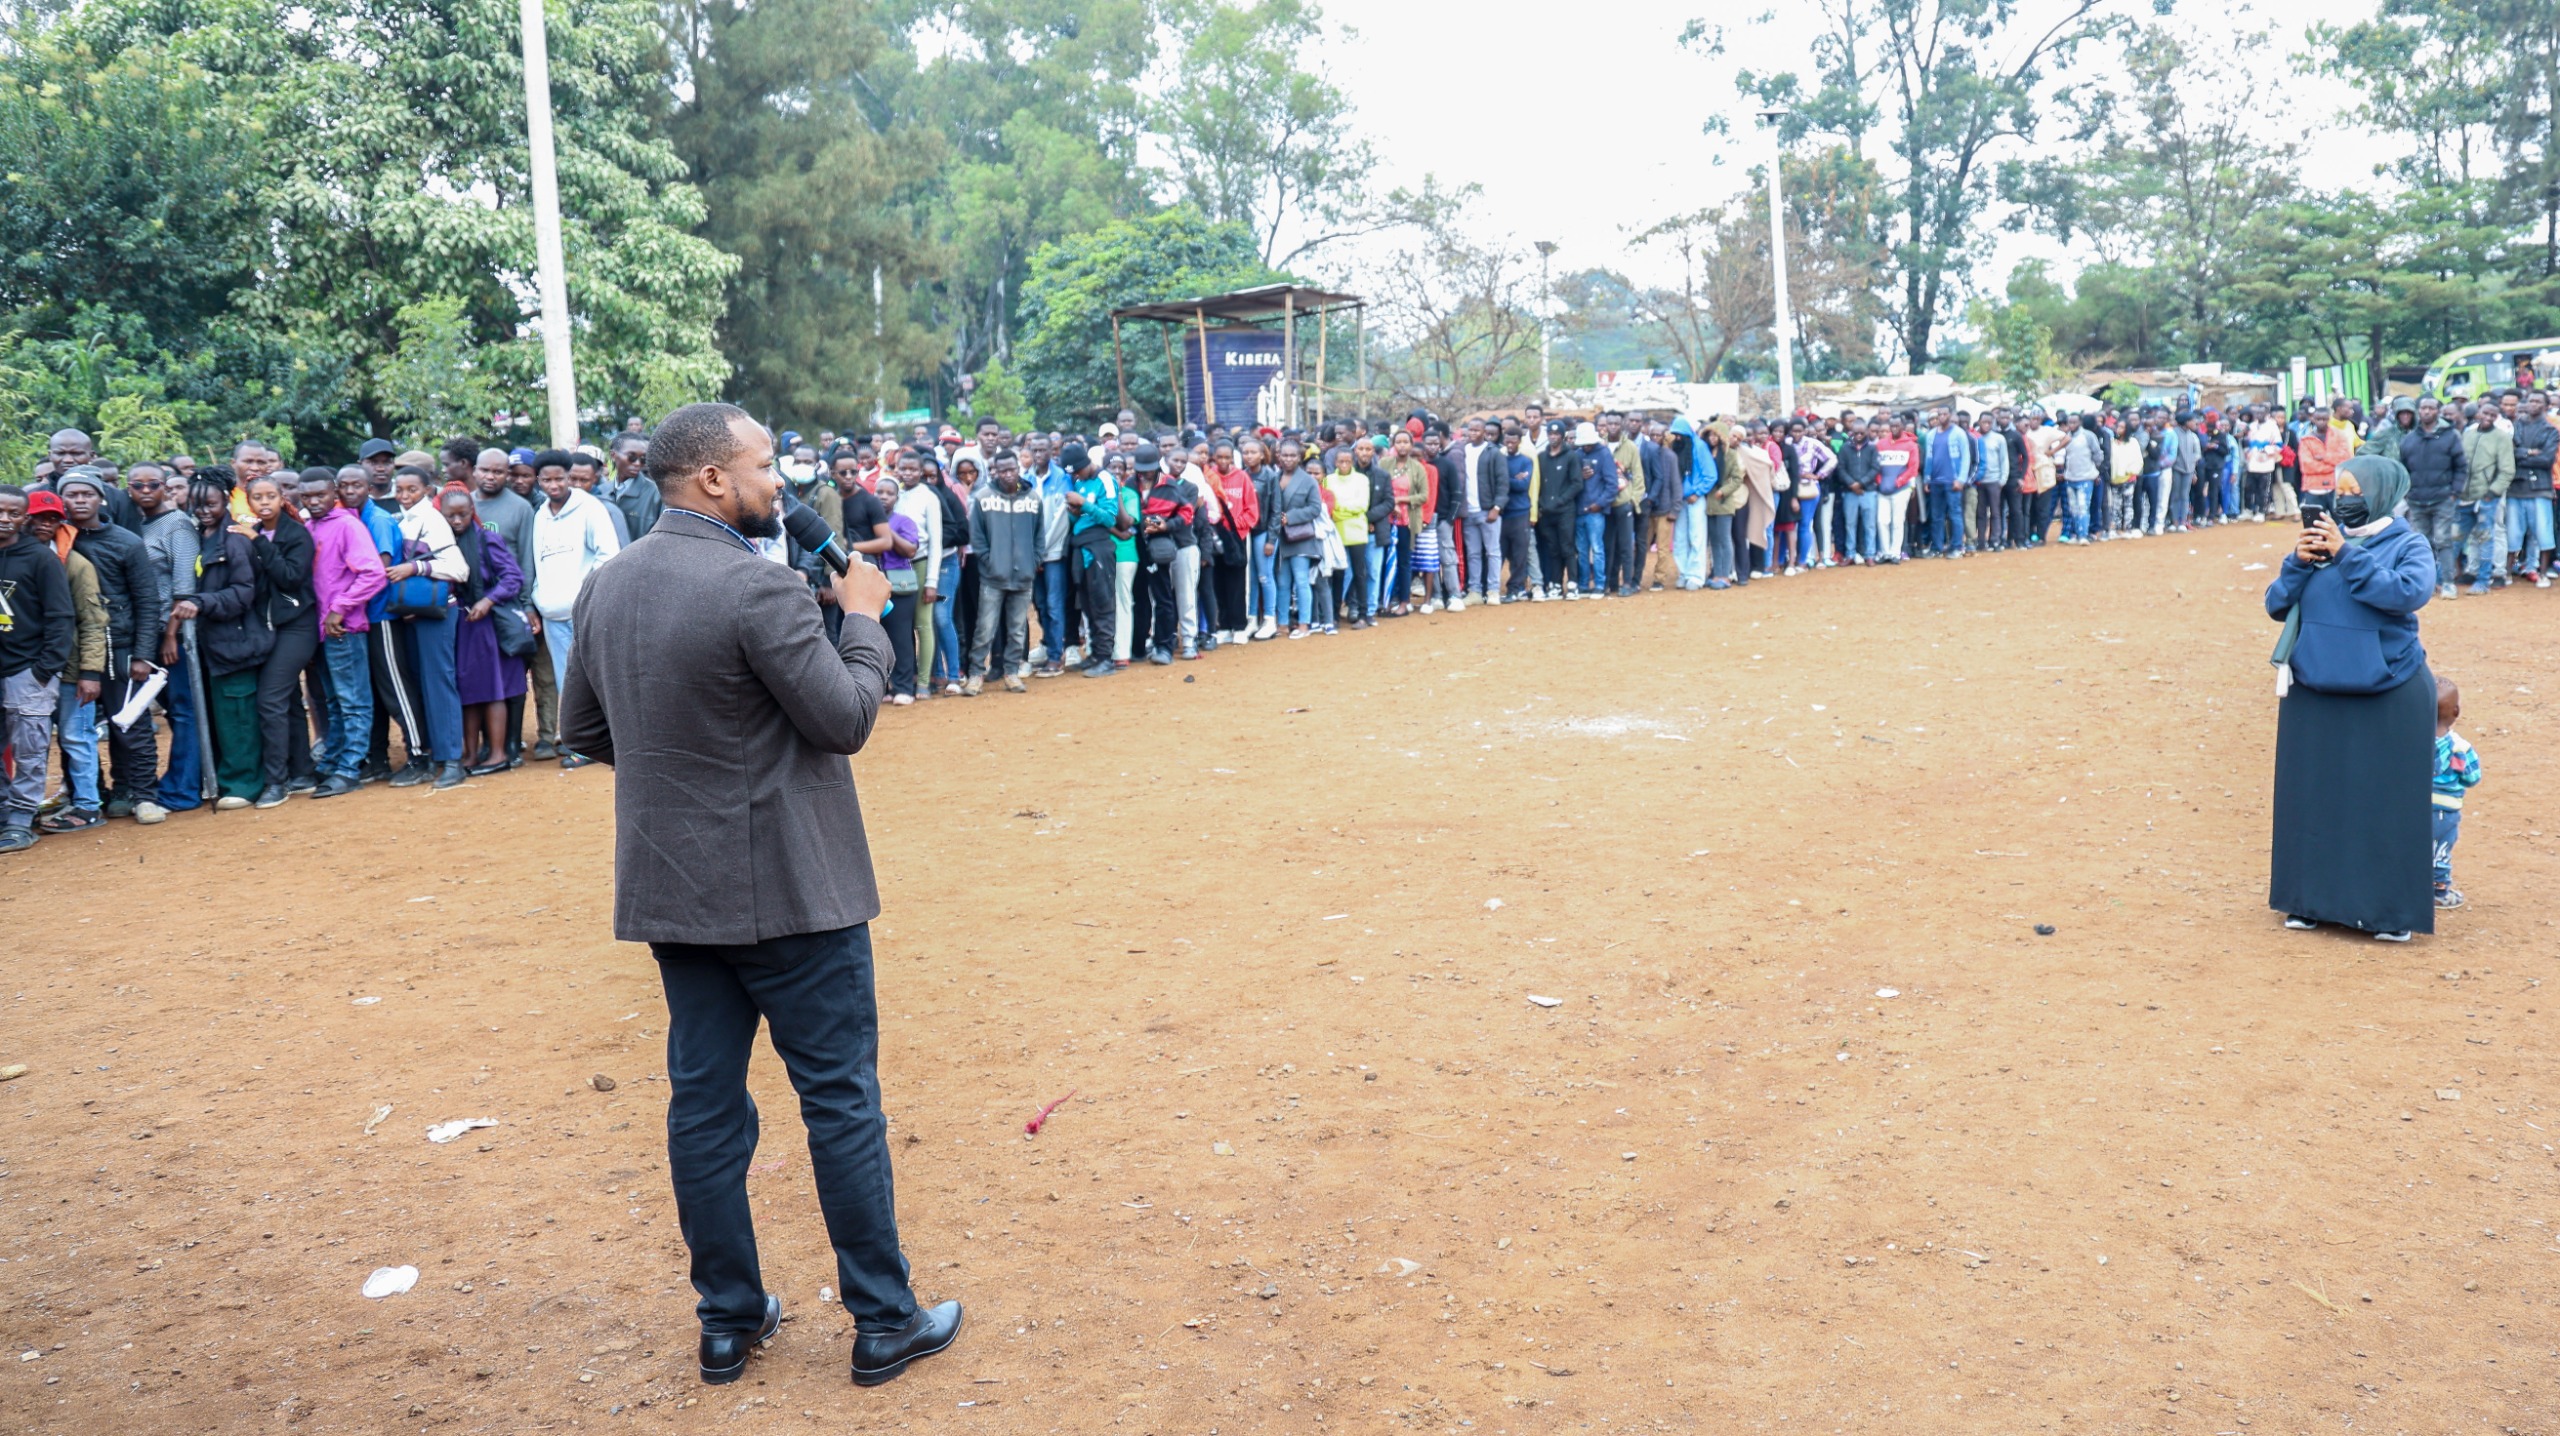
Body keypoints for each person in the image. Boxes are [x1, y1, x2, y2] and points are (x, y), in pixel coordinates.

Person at [558, 401, 961, 1391]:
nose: (779, 482)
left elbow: (585, 731)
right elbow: (846, 716)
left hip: (676, 891)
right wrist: (861, 617)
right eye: (765, 464)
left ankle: (727, 1322)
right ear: (711, 478)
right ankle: (884, 1321)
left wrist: (690, 781)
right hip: (794, 892)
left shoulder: (607, 585)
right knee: (839, 1101)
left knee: (703, 1109)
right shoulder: (760, 585)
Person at [2266, 454, 2437, 941]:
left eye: (2354, 492)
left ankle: (2386, 913)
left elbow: (2406, 594)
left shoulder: (2408, 543)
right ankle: (2308, 903)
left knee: (2382, 803)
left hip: (2388, 690)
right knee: (2313, 800)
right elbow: (2276, 604)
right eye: (2339, 491)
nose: (2343, 501)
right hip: (2315, 687)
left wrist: (2345, 554)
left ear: (2381, 494)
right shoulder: (2324, 539)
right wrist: (2298, 563)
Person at [58, 468, 165, 820]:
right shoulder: (58, 541)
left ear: (101, 498)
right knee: (74, 729)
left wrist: (143, 654)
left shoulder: (126, 542)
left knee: (129, 724)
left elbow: (147, 600)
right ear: (62, 499)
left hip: (120, 646)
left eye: (87, 494)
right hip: (73, 650)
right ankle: (93, 793)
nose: (80, 500)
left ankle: (142, 794)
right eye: (72, 494)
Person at [179, 474, 268, 808]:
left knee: (239, 716)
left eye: (211, 504)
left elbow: (244, 592)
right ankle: (219, 779)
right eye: (197, 504)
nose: (203, 511)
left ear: (226, 501)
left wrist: (202, 603)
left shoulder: (235, 539)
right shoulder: (196, 537)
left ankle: (244, 784)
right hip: (207, 644)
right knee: (217, 716)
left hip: (236, 641)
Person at [532, 449, 624, 765]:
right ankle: (583, 744)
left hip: (584, 612)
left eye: (560, 478)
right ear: (539, 480)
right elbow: (538, 563)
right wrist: (539, 599)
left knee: (598, 677)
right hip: (552, 615)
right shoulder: (541, 514)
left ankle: (610, 744)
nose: (554, 485)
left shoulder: (590, 508)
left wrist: (583, 595)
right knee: (567, 682)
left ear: (569, 477)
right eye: (547, 480)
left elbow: (608, 556)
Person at [22, 491, 107, 832]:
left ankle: (87, 806)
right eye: (38, 517)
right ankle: (24, 808)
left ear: (62, 522)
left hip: (71, 669)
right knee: (30, 741)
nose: (45, 524)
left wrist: (91, 671)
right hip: (25, 668)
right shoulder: (12, 556)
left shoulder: (75, 564)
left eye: (53, 518)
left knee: (76, 736)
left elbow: (93, 621)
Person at [298, 469, 385, 799]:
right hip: (321, 631)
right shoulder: (309, 527)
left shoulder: (348, 525)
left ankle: (350, 768)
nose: (314, 501)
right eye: (307, 496)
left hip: (344, 628)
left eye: (320, 494)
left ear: (333, 493)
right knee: (333, 702)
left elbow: (373, 573)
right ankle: (332, 761)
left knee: (353, 701)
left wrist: (341, 607)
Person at [383, 467, 470, 790]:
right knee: (421, 684)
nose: (405, 495)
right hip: (414, 613)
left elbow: (459, 569)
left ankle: (452, 761)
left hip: (437, 614)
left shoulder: (431, 520)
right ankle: (433, 756)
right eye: (400, 489)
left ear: (427, 490)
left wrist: (415, 567)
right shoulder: (402, 519)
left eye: (412, 490)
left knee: (439, 683)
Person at [0, 486, 75, 853]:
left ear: (23, 518)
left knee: (30, 749)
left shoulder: (40, 559)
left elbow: (61, 617)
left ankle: (20, 820)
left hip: (27, 672)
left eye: (13, 513)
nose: (5, 519)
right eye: (0, 511)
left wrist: (44, 670)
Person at [239, 474, 318, 808]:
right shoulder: (251, 532)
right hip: (268, 627)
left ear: (281, 497)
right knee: (287, 700)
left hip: (298, 626)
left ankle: (276, 782)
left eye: (270, 496)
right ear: (248, 501)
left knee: (270, 699)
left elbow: (289, 577)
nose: (264, 502)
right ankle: (302, 771)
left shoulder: (295, 533)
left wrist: (258, 542)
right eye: (257, 497)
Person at [439, 489, 529, 774]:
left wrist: (488, 600)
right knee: (467, 690)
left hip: (486, 624)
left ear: (472, 512)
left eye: (462, 514)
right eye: (450, 515)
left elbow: (513, 577)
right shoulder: (442, 543)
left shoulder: (487, 539)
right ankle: (470, 754)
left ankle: (498, 755)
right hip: (459, 624)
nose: (457, 520)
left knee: (493, 690)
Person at [964, 449, 1039, 693]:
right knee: (985, 629)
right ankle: (976, 674)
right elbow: (977, 537)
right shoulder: (984, 498)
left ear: (1018, 469)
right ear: (995, 471)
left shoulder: (1032, 498)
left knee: (1017, 629)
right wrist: (990, 562)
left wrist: (1033, 561)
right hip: (992, 577)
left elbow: (1040, 536)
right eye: (1002, 470)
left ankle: (1012, 673)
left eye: (1012, 469)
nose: (1008, 474)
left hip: (1023, 576)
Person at [2396, 395, 2468, 597]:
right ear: (2418, 411)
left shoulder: (2450, 436)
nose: (2427, 411)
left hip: (2443, 499)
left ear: (2438, 411)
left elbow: (2461, 467)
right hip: (2416, 500)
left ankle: (2448, 583)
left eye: (2431, 408)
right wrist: (2407, 493)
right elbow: (2403, 470)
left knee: (2443, 540)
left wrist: (2454, 493)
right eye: (2423, 408)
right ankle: (2426, 584)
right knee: (2421, 543)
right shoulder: (2409, 440)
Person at [1060, 443, 1119, 676]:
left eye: (1077, 471)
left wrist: (1084, 504)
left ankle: (1106, 659)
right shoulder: (1080, 482)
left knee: (1102, 604)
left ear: (1086, 463)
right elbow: (1081, 519)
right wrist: (1075, 513)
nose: (1076, 475)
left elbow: (1110, 519)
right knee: (1087, 605)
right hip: (1080, 549)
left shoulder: (1105, 480)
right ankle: (1095, 654)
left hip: (1098, 548)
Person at [2431, 678, 2480, 911]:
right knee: (2439, 851)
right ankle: (2438, 892)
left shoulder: (2409, 741)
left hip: (2410, 807)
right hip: (2445, 811)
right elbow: (2472, 777)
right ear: (2456, 711)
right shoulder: (2460, 747)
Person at [2459, 400, 2513, 595]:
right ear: (2478, 414)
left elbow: (2507, 470)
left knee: (2493, 533)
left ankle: (2496, 574)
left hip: (2491, 495)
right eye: (2485, 413)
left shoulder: (2502, 437)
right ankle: (2472, 570)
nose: (2488, 417)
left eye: (2493, 415)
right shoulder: (2468, 434)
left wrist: (2493, 493)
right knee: (2471, 534)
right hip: (2468, 494)